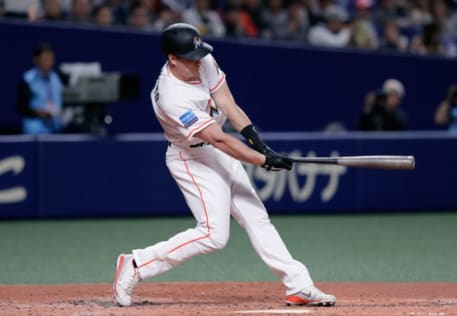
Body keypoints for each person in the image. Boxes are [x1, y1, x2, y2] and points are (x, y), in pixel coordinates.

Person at [113, 23, 336, 308]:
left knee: (256, 217)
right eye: (191, 57)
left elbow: (228, 104)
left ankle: (299, 285)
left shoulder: (202, 59)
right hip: (191, 158)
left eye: (198, 53)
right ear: (172, 58)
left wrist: (259, 143)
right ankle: (136, 263)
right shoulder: (173, 97)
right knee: (213, 235)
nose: (198, 61)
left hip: (217, 150)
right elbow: (218, 139)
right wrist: (264, 160)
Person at [16, 43, 63, 134]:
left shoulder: (56, 79)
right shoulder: (27, 79)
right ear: (36, 60)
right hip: (34, 131)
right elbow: (21, 108)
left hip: (55, 129)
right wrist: (38, 112)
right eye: (45, 59)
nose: (49, 62)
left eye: (51, 59)